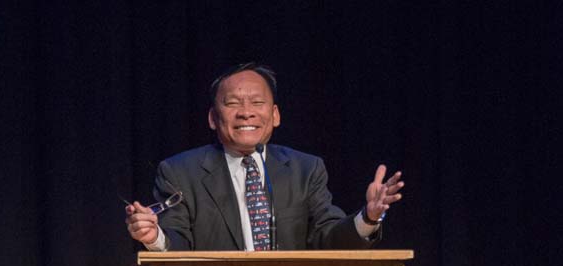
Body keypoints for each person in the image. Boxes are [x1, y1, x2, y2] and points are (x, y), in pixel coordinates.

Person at [126, 63, 404, 251]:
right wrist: (155, 238)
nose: (246, 112)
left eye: (257, 103)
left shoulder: (305, 169)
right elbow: (179, 243)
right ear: (213, 118)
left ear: (275, 115)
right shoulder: (180, 172)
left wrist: (367, 217)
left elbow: (328, 238)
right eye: (233, 103)